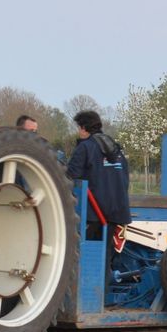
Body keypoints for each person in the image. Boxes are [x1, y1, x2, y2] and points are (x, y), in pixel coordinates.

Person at [67, 110, 131, 269]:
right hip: (116, 213)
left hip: (93, 214)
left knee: (83, 260)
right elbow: (125, 178)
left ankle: (85, 292)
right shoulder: (117, 149)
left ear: (83, 128)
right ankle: (101, 292)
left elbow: (70, 177)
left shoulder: (85, 148)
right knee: (104, 260)